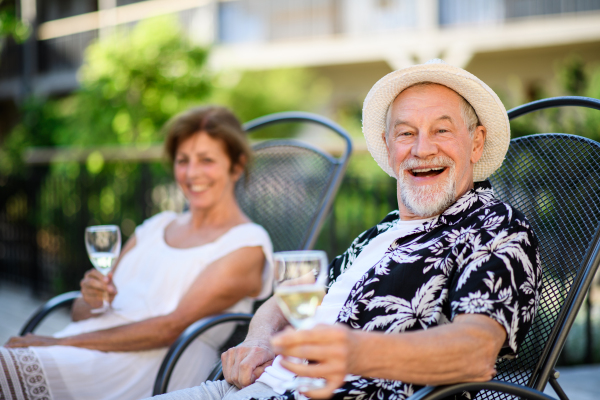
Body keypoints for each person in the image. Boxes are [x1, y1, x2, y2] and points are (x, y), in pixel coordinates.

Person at [149, 60, 542, 400]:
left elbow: (474, 350)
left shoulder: (495, 227)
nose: (422, 149)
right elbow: (292, 296)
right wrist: (258, 339)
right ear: (388, 147)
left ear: (476, 143)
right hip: (248, 387)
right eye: (406, 133)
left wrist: (354, 350)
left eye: (441, 130)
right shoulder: (381, 234)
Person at [2, 106, 274, 400]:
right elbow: (83, 311)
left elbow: (169, 328)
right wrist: (92, 297)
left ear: (236, 165)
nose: (192, 173)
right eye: (183, 160)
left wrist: (61, 343)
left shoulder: (246, 243)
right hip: (88, 346)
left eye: (206, 160)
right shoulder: (157, 225)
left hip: (149, 366)